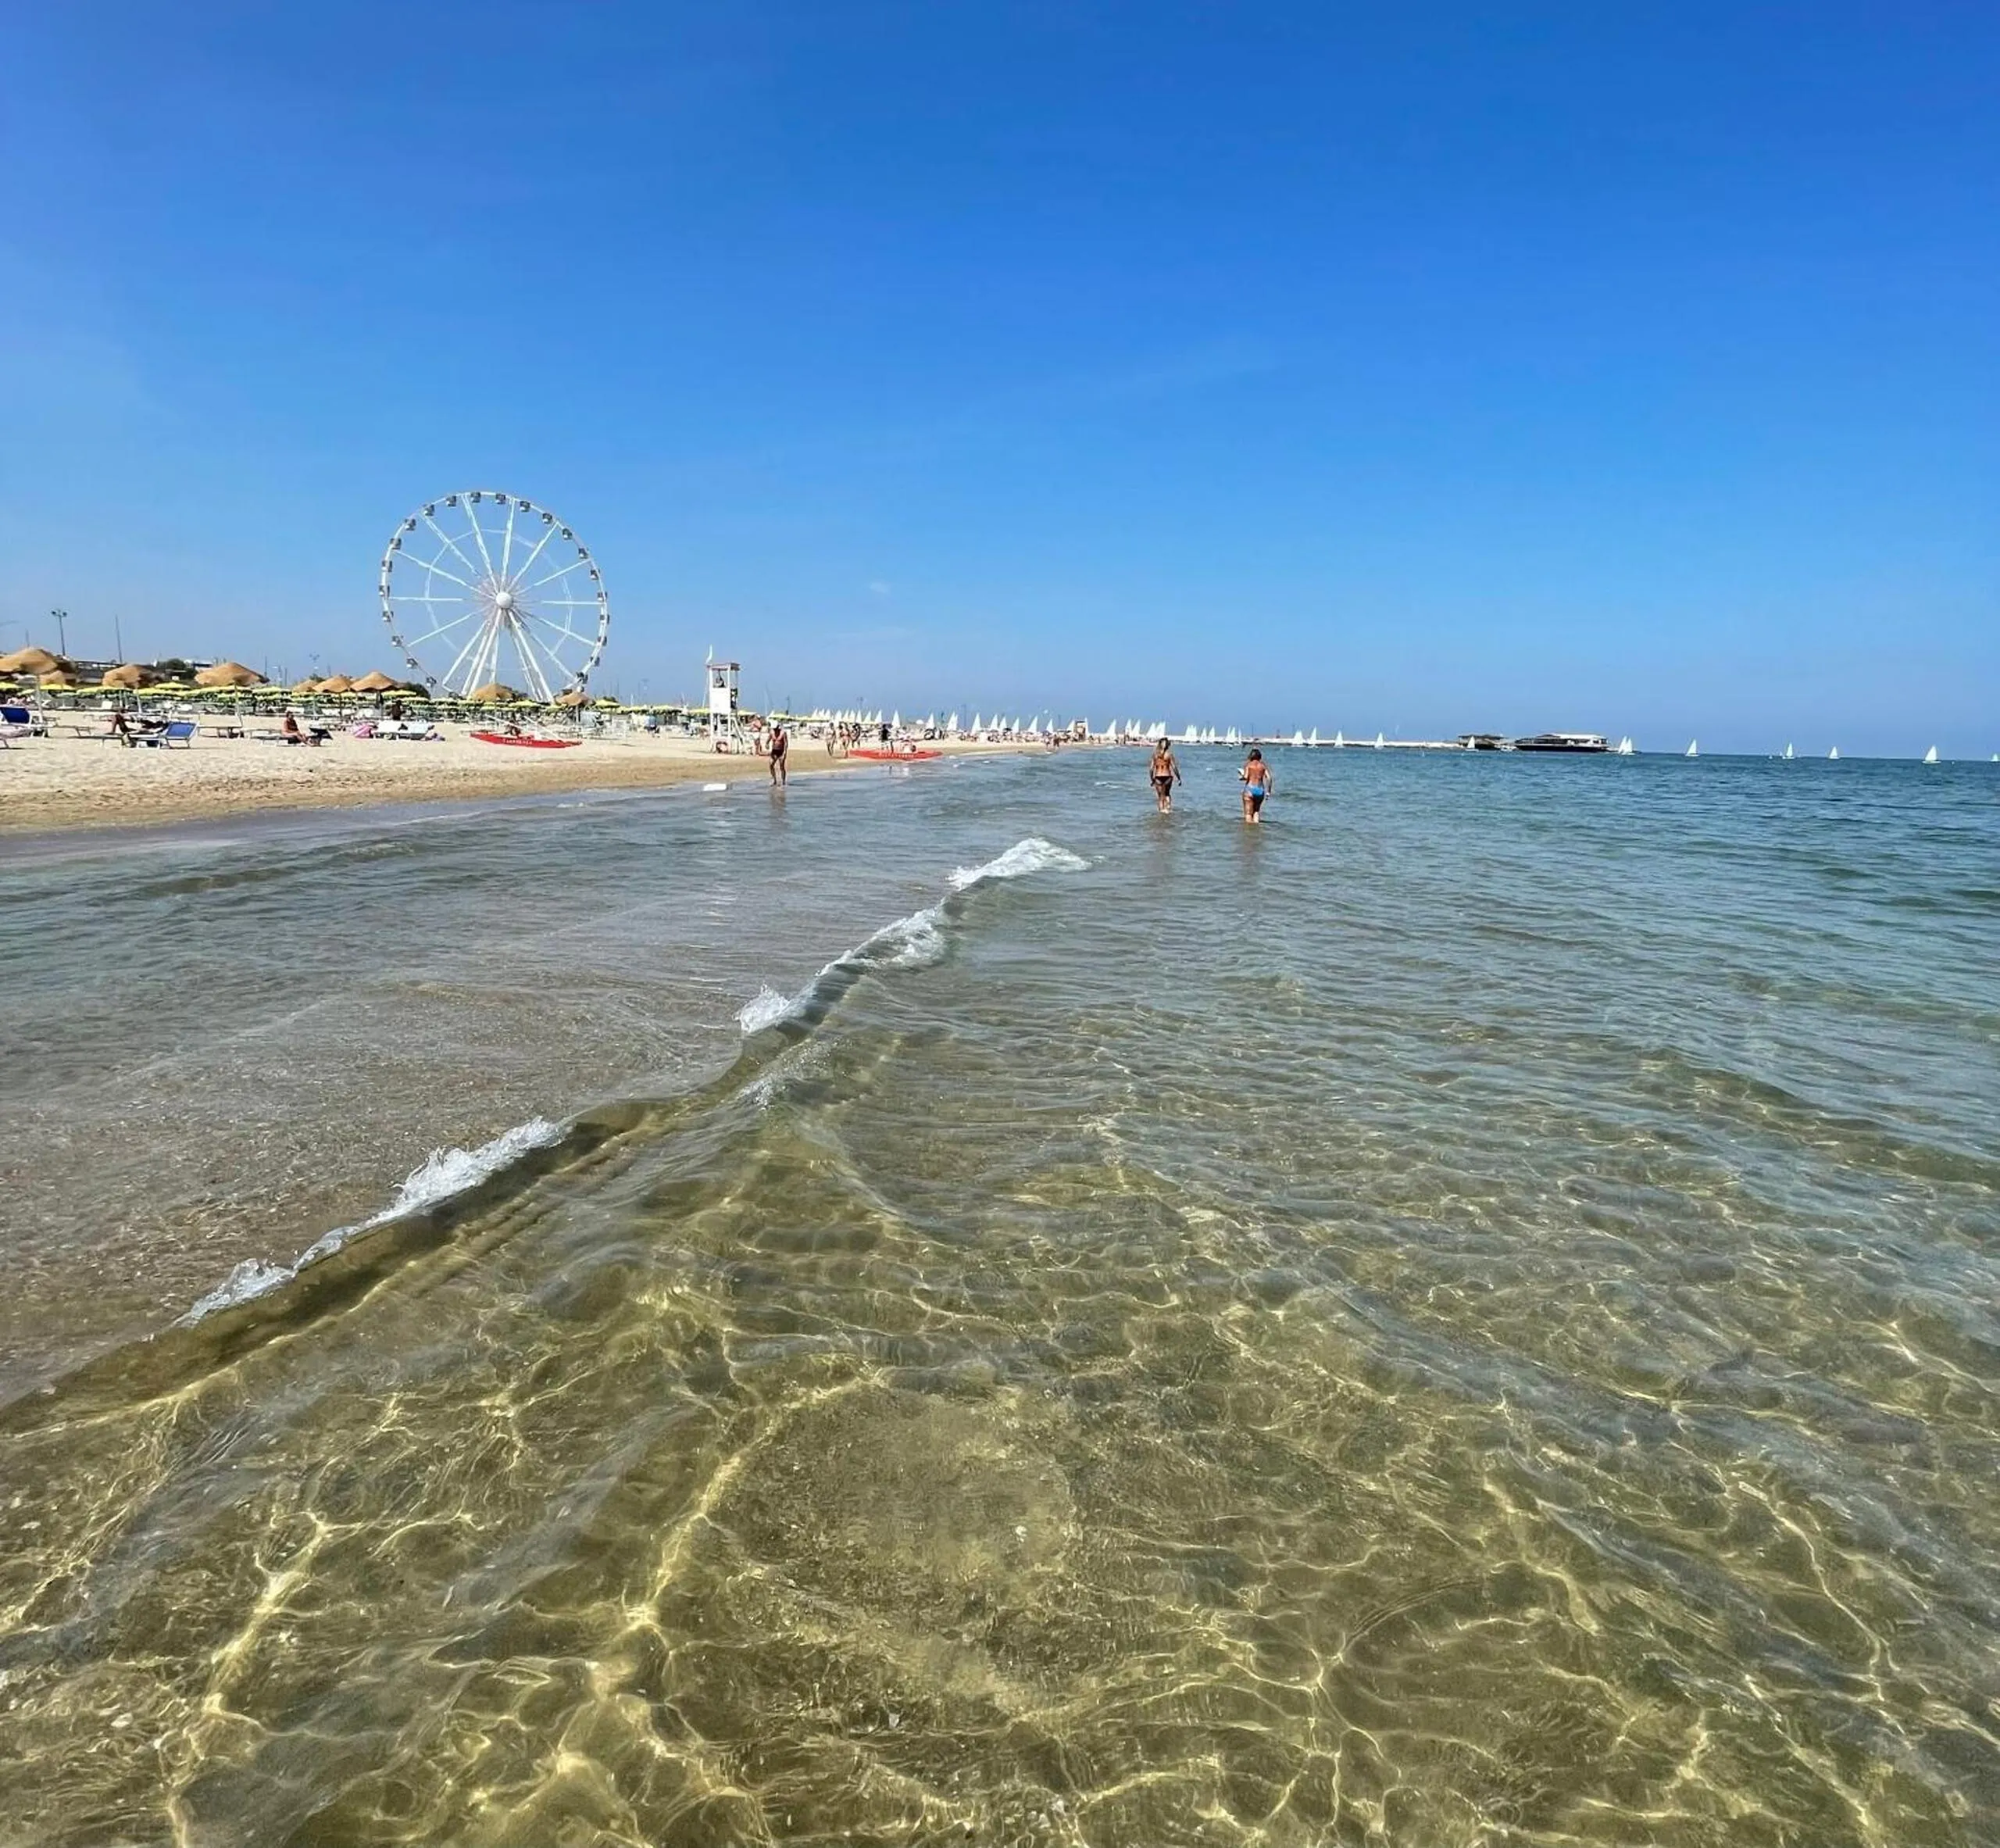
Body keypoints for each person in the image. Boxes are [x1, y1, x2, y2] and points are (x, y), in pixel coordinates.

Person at [1240, 747, 1273, 823]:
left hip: (1250, 789)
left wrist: (1241, 777)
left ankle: (1249, 832)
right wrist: (1268, 791)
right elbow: (1269, 778)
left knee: (1248, 813)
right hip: (1260, 790)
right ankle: (1256, 828)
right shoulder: (1263, 766)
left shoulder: (1249, 765)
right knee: (1256, 812)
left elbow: (1245, 777)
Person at [1150, 738, 1181, 813]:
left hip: (1158, 777)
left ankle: (1161, 813)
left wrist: (1152, 779)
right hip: (1168, 776)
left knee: (1160, 797)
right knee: (1167, 794)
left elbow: (1151, 769)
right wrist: (1179, 778)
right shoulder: (1169, 754)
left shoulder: (1155, 755)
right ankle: (1168, 810)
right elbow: (1174, 767)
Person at [769, 720, 788, 785]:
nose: (774, 730)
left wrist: (785, 752)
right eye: (773, 728)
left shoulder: (783, 733)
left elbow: (786, 743)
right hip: (774, 751)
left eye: (775, 728)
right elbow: (768, 739)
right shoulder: (772, 732)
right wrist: (767, 744)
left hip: (781, 751)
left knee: (781, 767)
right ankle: (774, 780)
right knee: (771, 765)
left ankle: (783, 781)